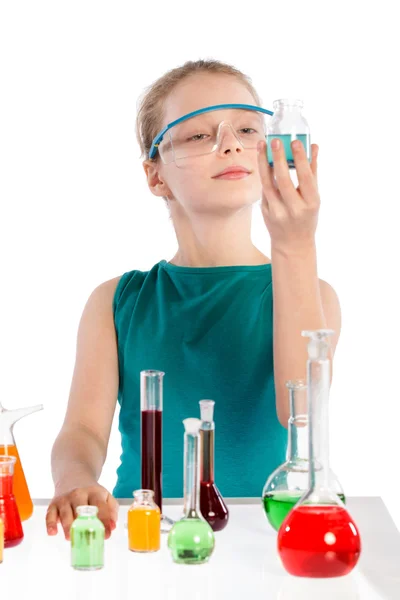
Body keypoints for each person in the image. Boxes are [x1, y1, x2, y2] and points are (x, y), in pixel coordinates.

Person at [46, 59, 341, 540]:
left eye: (247, 128)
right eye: (198, 136)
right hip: (143, 534)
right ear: (155, 175)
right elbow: (82, 433)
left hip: (264, 537)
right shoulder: (116, 302)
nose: (229, 142)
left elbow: (301, 413)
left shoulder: (311, 290)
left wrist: (294, 245)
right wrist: (75, 480)